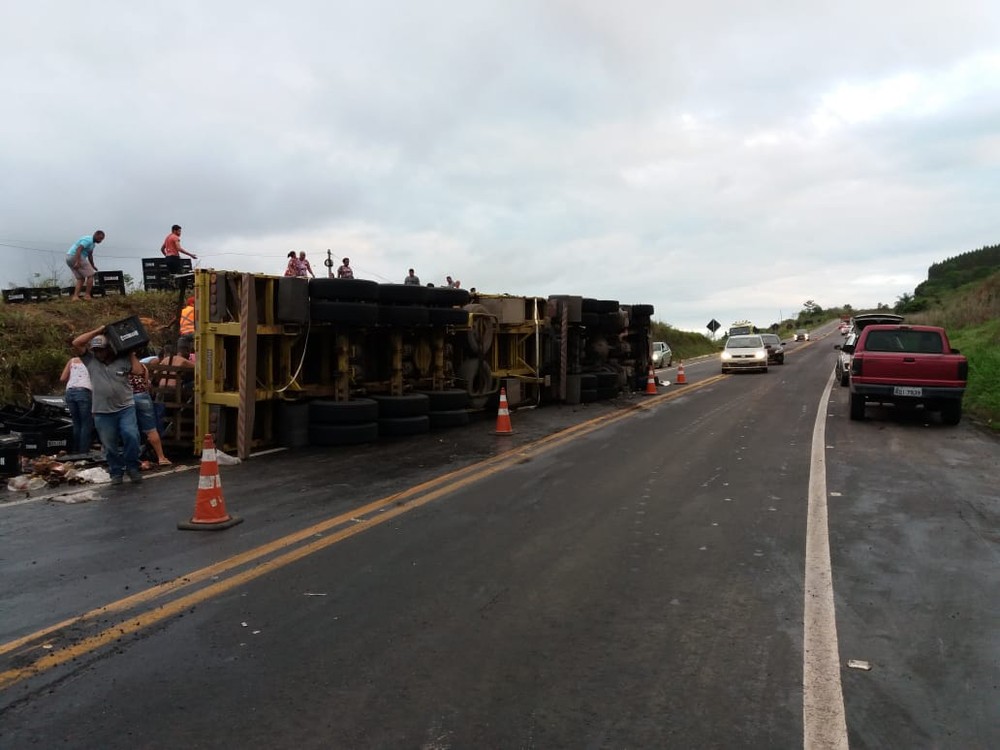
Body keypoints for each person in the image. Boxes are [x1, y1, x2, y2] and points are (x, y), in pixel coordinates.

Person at [71, 327, 145, 485]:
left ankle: (132, 467)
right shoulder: (91, 361)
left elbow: (138, 371)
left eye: (101, 350)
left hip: (125, 407)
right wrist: (100, 330)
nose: (98, 354)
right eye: (96, 350)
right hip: (102, 411)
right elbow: (77, 342)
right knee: (109, 445)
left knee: (131, 435)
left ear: (110, 349)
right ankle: (116, 472)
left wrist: (130, 353)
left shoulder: (123, 359)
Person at [128, 360, 171, 466]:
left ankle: (134, 457)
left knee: (130, 428)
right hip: (143, 396)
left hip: (127, 398)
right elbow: (147, 384)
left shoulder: (119, 365)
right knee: (151, 429)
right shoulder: (142, 367)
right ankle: (161, 457)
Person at [60, 352, 94, 454]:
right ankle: (83, 451)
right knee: (86, 423)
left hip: (70, 392)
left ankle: (75, 449)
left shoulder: (72, 361)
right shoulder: (93, 362)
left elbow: (62, 378)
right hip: (84, 391)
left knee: (76, 423)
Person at [65, 230, 105, 301]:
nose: (100, 240)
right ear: (95, 234)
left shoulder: (92, 244)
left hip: (69, 257)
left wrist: (93, 265)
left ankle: (75, 297)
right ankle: (87, 295)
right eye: (99, 238)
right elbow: (78, 249)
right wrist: (77, 261)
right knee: (91, 275)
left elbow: (90, 255)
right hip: (75, 256)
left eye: (102, 239)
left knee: (81, 278)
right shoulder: (88, 240)